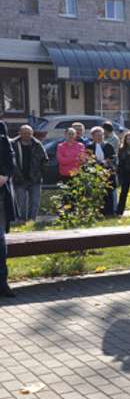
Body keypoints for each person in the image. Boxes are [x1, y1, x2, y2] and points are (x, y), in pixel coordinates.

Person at [10, 125, 47, 222]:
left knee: (35, 201)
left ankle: (32, 220)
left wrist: (40, 173)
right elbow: (9, 161)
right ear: (20, 133)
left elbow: (45, 160)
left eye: (29, 133)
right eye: (24, 133)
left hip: (35, 178)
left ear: (32, 134)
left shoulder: (37, 144)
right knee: (21, 202)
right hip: (19, 178)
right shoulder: (13, 144)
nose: (27, 135)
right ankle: (22, 220)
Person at [0, 121, 17, 298]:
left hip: (0, 194)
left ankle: (2, 283)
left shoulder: (1, 129)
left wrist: (4, 175)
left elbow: (10, 160)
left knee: (0, 241)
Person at [86, 126, 117, 216]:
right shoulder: (90, 146)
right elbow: (87, 159)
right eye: (97, 135)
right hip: (95, 173)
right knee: (97, 193)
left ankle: (110, 212)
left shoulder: (108, 145)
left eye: (101, 135)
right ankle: (99, 212)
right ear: (93, 136)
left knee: (109, 192)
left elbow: (113, 157)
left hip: (107, 173)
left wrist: (106, 161)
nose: (100, 137)